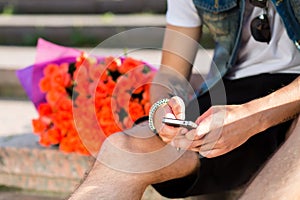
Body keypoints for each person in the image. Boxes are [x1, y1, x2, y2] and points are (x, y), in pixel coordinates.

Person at [69, 0, 300, 199]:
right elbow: (172, 74)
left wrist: (252, 117)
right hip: (232, 91)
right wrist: (162, 111)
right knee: (125, 150)